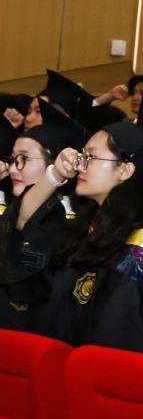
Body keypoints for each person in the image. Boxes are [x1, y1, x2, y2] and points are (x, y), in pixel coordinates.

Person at [20, 100, 143, 355]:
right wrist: (55, 174)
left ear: (125, 170)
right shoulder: (86, 228)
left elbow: (122, 333)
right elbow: (23, 223)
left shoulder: (140, 245)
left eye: (91, 157)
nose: (80, 164)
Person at [0, 103, 87, 331]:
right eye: (13, 159)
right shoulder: (9, 209)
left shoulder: (77, 223)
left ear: (56, 164)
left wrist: (55, 174)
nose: (13, 169)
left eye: (24, 159)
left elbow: (25, 217)